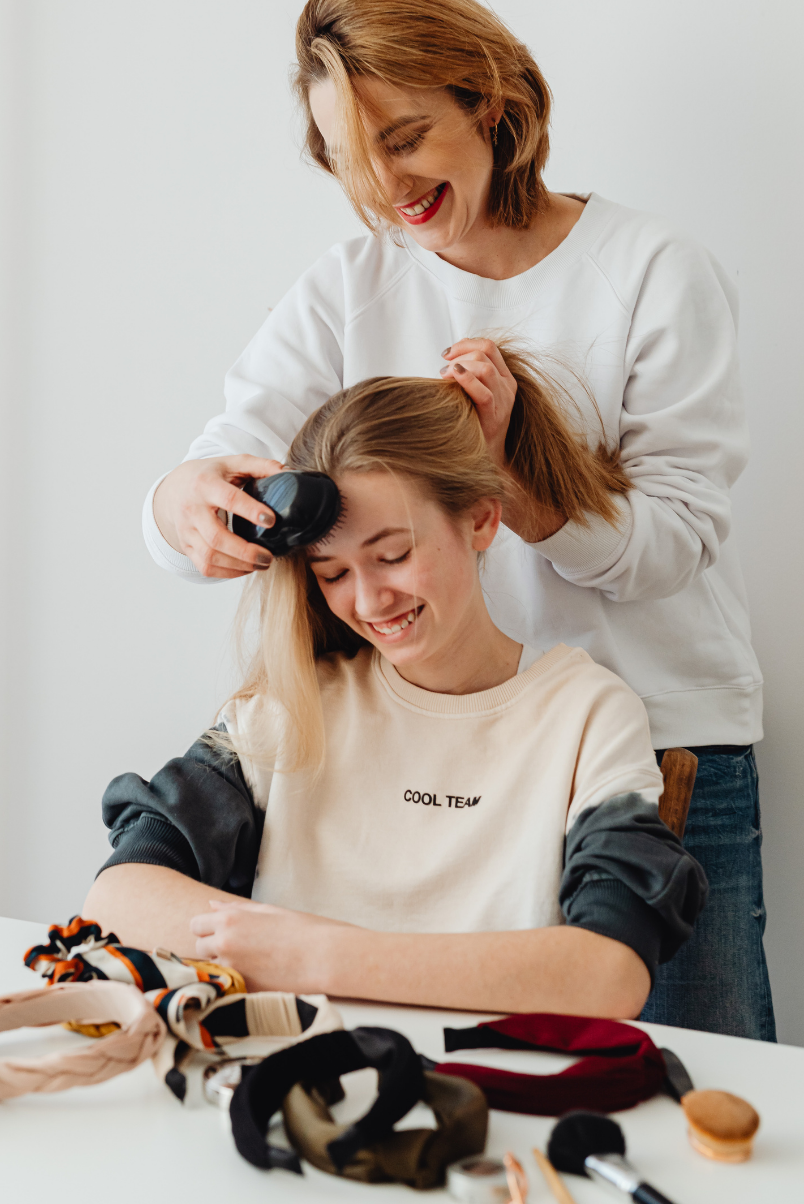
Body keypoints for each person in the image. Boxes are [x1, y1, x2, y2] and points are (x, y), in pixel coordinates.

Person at [142, 0, 771, 1039]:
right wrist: (184, 502)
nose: (386, 187)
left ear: (490, 101)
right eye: (349, 161)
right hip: (445, 744)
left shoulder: (652, 272)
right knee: (466, 1067)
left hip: (660, 743)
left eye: (404, 138)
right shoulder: (351, 286)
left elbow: (677, 540)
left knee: (696, 1076)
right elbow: (222, 451)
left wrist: (519, 487)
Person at [87, 367, 706, 1017]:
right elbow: (118, 899)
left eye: (393, 555)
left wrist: (317, 956)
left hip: (487, 1093)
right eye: (333, 572)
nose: (369, 600)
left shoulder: (586, 714)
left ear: (482, 520)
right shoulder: (294, 705)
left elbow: (608, 974)